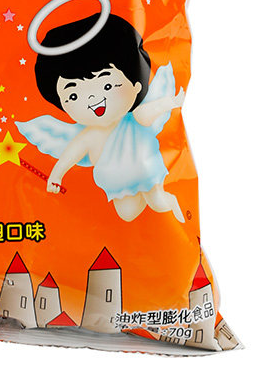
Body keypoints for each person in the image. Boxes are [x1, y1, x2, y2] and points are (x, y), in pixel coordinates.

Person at [17, 12, 185, 222]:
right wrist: (56, 175)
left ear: (136, 85)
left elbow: (149, 111)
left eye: (107, 85)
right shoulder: (90, 135)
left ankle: (169, 202)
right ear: (62, 106)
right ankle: (147, 224)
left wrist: (171, 102)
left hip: (145, 171)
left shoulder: (134, 119)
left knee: (159, 203)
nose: (93, 98)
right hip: (117, 183)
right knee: (127, 214)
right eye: (73, 96)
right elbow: (70, 155)